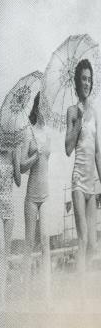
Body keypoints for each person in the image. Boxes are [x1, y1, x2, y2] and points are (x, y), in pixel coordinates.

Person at [64, 58, 101, 276]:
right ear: (77, 83)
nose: (86, 83)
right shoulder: (72, 111)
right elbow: (68, 148)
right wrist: (78, 119)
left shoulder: (95, 112)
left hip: (91, 183)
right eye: (83, 79)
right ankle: (80, 293)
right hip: (78, 180)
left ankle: (84, 282)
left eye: (89, 79)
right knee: (83, 238)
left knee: (93, 245)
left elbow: (97, 152)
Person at [19, 92, 52, 298]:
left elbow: (47, 165)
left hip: (46, 195)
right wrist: (34, 155)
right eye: (43, 106)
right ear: (37, 107)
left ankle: (47, 295)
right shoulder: (28, 133)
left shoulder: (48, 134)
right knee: (29, 244)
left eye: (48, 107)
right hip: (31, 197)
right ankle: (26, 294)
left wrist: (42, 153)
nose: (46, 110)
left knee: (46, 240)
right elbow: (22, 167)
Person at [0, 144, 21, 305]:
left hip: (10, 209)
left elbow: (19, 181)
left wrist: (16, 159)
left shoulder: (13, 157)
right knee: (0, 250)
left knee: (6, 252)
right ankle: (1, 297)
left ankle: (3, 295)